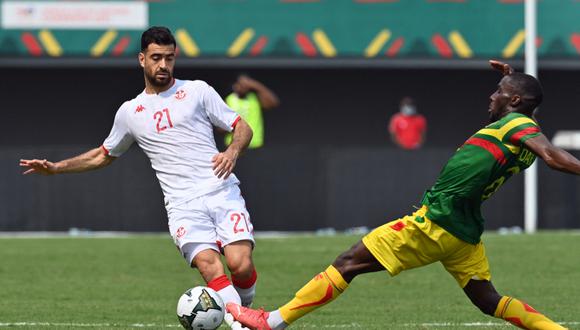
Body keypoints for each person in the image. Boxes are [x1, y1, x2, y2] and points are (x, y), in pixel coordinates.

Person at [225, 60, 578, 330]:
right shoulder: (521, 127)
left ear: (515, 100)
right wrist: (513, 75)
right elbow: (530, 125)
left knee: (349, 262)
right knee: (488, 300)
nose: (492, 94)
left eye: (499, 91)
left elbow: (552, 156)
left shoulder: (520, 126)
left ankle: (270, 321)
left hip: (436, 222)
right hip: (463, 231)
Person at [19, 26, 258, 327]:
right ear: (141, 59)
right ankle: (244, 323)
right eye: (156, 58)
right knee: (211, 267)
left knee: (241, 265)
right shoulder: (130, 112)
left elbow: (242, 127)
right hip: (182, 205)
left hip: (221, 190)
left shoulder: (198, 91)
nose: (163, 65)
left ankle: (245, 308)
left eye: (169, 58)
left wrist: (233, 152)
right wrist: (56, 167)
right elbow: (102, 154)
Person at [224, 74, 279, 149]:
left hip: (254, 145)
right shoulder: (229, 100)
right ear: (235, 85)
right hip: (234, 147)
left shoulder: (254, 98)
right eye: (241, 84)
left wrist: (254, 84)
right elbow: (220, 127)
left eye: (246, 84)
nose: (243, 87)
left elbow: (273, 103)